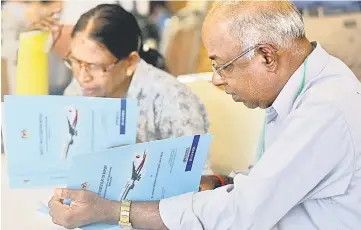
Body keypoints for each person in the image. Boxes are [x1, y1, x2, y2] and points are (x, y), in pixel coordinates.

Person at [48, 1, 361, 230]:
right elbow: (271, 181)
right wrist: (221, 182)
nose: (215, 79)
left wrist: (116, 211)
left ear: (267, 56)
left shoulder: (325, 111)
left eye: (221, 65)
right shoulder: (301, 85)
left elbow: (241, 212)